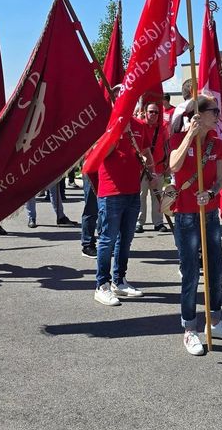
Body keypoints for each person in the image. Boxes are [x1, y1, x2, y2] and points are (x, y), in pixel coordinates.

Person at [169, 94, 222, 355]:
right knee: (190, 274)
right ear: (198, 115)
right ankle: (189, 328)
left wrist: (211, 194)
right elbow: (173, 166)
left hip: (209, 214)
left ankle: (216, 321)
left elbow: (221, 180)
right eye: (214, 110)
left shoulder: (218, 143)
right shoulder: (178, 139)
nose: (218, 115)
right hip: (186, 216)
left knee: (216, 271)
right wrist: (190, 135)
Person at [94, 116, 158, 306]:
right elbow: (100, 153)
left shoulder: (139, 125)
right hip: (110, 192)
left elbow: (146, 150)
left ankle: (119, 280)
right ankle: (101, 285)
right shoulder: (107, 123)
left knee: (126, 239)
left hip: (132, 190)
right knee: (107, 240)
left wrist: (151, 170)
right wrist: (117, 131)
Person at [135, 102, 170, 233]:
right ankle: (139, 222)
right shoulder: (139, 126)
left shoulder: (163, 128)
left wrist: (168, 165)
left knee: (157, 197)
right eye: (151, 111)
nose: (154, 114)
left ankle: (158, 222)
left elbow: (167, 147)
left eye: (156, 112)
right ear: (145, 112)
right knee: (141, 196)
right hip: (142, 169)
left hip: (159, 167)